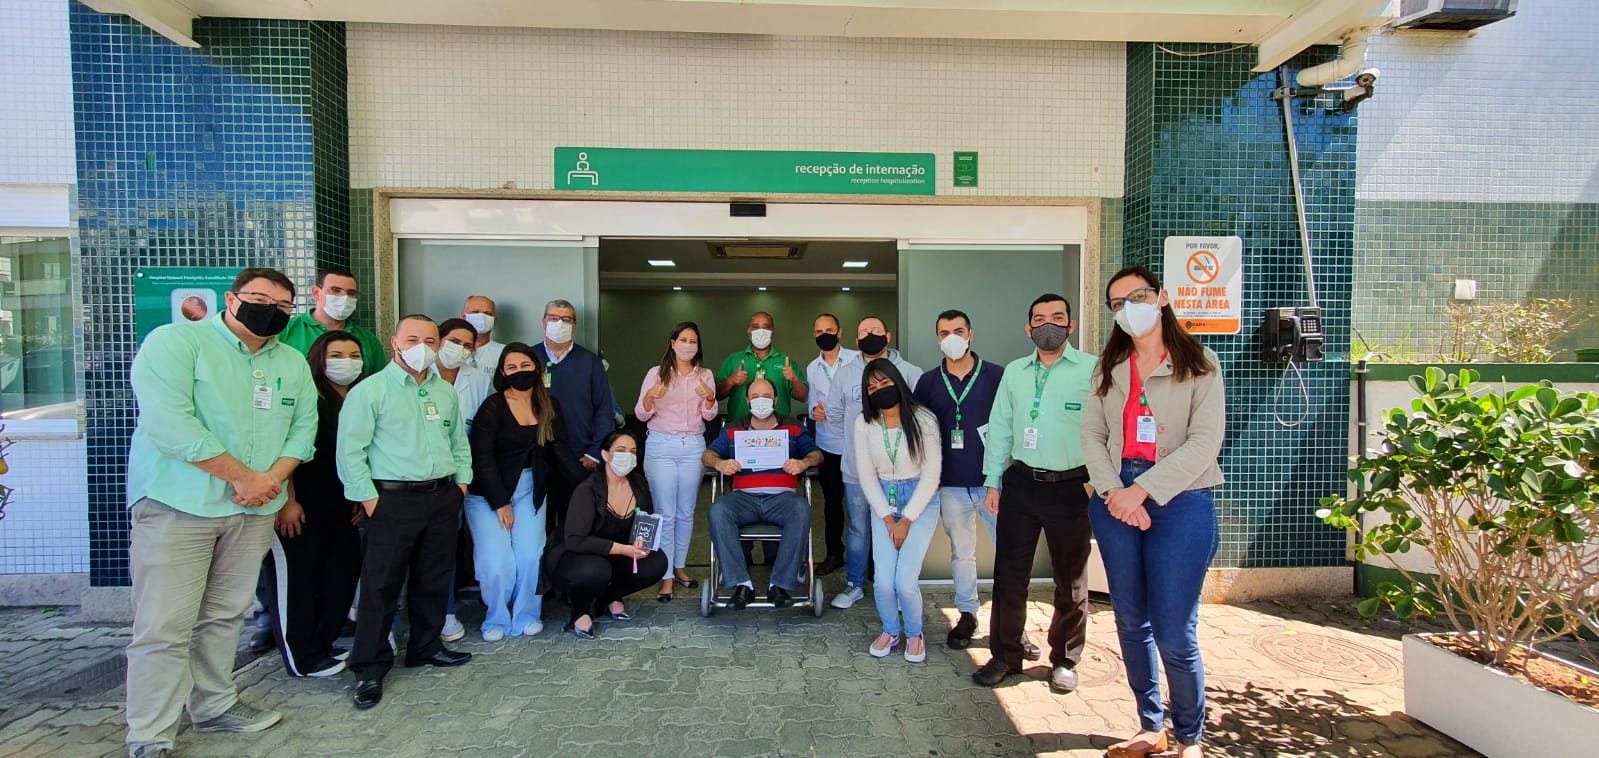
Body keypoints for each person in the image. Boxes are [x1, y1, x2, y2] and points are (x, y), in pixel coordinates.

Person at [124, 267, 315, 757]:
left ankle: (214, 704)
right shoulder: (177, 343)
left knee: (226, 614)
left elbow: (302, 430)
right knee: (164, 624)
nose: (271, 311)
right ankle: (151, 731)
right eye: (260, 299)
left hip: (254, 510)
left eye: (282, 306)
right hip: (179, 505)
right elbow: (171, 424)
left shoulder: (291, 361)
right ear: (231, 299)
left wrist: (270, 481)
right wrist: (243, 478)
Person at [1082, 266, 1224, 758]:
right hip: (1114, 499)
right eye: (1117, 303)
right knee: (1129, 620)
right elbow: (1092, 435)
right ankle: (1150, 725)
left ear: (1161, 298)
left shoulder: (1199, 362)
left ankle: (1190, 737)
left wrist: (1140, 492)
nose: (1128, 309)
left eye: (1137, 296)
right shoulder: (1109, 367)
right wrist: (1113, 492)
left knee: (1174, 630)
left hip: (1180, 502)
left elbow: (1205, 442)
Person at [337, 315, 475, 710]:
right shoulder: (370, 391)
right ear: (395, 342)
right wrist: (369, 499)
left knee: (434, 577)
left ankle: (425, 648)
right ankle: (369, 668)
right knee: (381, 585)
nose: (422, 348)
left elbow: (457, 443)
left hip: (442, 496)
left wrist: (461, 483)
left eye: (430, 341)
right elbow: (350, 452)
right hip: (392, 500)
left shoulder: (444, 391)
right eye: (413, 339)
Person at [972, 294, 1098, 695]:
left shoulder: (1093, 369)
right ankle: (1006, 656)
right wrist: (993, 480)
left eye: (1057, 318)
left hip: (1073, 487)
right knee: (1009, 576)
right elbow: (1000, 426)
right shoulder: (1015, 372)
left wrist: (1096, 480)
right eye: (1040, 319)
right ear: (1028, 329)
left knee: (1071, 581)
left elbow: (1109, 428)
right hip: (1022, 484)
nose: (1049, 325)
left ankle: (1065, 659)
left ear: (1070, 325)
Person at [466, 343, 586, 641]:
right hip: (489, 495)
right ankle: (496, 616)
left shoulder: (548, 405)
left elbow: (560, 450)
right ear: (503, 373)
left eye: (525, 365)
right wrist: (500, 502)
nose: (519, 372)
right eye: (512, 367)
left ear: (537, 368)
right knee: (497, 561)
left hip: (532, 490)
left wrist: (591, 486)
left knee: (531, 555)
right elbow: (482, 458)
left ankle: (527, 614)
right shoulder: (493, 407)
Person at [267, 331, 365, 680]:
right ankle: (302, 657)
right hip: (301, 504)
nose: (346, 362)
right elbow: (285, 446)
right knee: (299, 581)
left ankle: (323, 644)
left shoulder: (360, 396)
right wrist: (287, 500)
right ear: (319, 359)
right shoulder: (307, 395)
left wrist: (359, 494)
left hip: (342, 504)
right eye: (336, 355)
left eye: (354, 355)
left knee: (341, 574)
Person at [910, 310, 1009, 650]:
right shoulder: (928, 382)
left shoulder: (997, 376)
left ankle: (1012, 622)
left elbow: (1009, 424)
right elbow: (920, 432)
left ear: (971, 334)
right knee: (962, 554)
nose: (952, 337)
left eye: (958, 330)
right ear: (937, 338)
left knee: (1010, 553)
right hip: (950, 483)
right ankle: (967, 614)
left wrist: (998, 476)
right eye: (944, 332)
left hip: (993, 482)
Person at [820, 316, 922, 609]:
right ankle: (854, 584)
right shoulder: (845, 374)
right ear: (856, 340)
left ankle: (898, 587)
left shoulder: (911, 372)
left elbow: (920, 414)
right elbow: (834, 415)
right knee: (858, 529)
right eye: (863, 332)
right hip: (857, 471)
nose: (870, 336)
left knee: (897, 527)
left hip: (899, 471)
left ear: (887, 336)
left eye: (876, 331)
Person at [703, 378, 822, 609]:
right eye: (755, 397)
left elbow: (816, 454)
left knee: (801, 509)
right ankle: (742, 583)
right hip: (743, 499)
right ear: (747, 401)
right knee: (718, 510)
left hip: (782, 499)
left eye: (766, 396)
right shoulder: (733, 428)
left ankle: (779, 585)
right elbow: (707, 454)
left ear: (775, 399)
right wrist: (720, 463)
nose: (761, 401)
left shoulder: (793, 427)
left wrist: (803, 463)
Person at [852, 359, 941, 662]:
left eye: (884, 383)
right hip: (883, 501)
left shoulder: (924, 419)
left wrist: (907, 519)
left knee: (905, 581)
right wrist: (889, 518)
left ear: (897, 382)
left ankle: (914, 633)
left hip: (920, 499)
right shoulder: (864, 423)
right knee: (883, 582)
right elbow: (866, 476)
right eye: (871, 387)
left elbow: (931, 475)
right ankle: (891, 630)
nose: (879, 390)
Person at [544, 431, 669, 639]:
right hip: (580, 554)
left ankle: (607, 597)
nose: (628, 456)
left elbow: (645, 519)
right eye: (621, 450)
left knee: (657, 562)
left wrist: (641, 542)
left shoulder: (639, 483)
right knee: (596, 570)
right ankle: (580, 611)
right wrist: (623, 549)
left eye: (632, 452)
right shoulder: (588, 489)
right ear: (605, 454)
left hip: (620, 552)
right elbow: (575, 540)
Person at [634, 322, 717, 601]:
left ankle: (679, 566)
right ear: (672, 343)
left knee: (686, 512)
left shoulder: (704, 374)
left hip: (693, 445)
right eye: (683, 340)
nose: (688, 345)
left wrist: (709, 398)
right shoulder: (656, 373)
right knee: (665, 512)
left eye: (693, 341)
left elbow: (709, 415)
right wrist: (650, 396)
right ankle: (666, 574)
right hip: (661, 445)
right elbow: (641, 414)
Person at [531, 298, 616, 534]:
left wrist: (595, 451)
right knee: (539, 529)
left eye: (566, 319)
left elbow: (604, 410)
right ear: (544, 322)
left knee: (576, 526)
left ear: (574, 325)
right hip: (538, 457)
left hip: (579, 458)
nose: (559, 323)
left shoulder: (590, 362)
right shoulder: (529, 358)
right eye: (554, 318)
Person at [434, 317, 494, 642]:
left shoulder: (478, 380)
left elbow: (482, 429)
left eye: (467, 345)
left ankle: (445, 611)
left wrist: (463, 479)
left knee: (445, 545)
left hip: (460, 476)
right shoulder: (419, 375)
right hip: (416, 476)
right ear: (438, 340)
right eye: (454, 341)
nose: (460, 349)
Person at [805, 313, 858, 577]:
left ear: (839, 332)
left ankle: (865, 557)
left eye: (829, 330)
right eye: (818, 331)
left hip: (857, 441)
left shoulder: (856, 360)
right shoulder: (812, 367)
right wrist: (814, 411)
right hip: (827, 443)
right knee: (832, 502)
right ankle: (834, 553)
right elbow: (812, 400)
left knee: (861, 503)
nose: (823, 335)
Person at [277, 267, 387, 376]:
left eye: (351, 293)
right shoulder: (285, 330)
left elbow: (380, 381)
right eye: (335, 290)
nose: (344, 297)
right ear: (316, 293)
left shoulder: (368, 340)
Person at [716, 311, 807, 421]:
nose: (761, 331)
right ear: (749, 331)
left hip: (779, 427)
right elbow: (716, 396)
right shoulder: (733, 360)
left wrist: (795, 379)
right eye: (755, 327)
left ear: (773, 331)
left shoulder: (786, 362)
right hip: (739, 427)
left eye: (766, 327)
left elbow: (804, 397)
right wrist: (731, 381)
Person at [460, 295, 506, 373]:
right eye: (475, 312)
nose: (482, 317)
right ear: (463, 316)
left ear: (494, 320)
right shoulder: (449, 350)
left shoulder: (504, 352)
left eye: (487, 313)